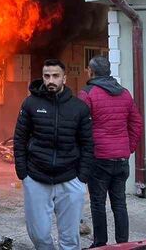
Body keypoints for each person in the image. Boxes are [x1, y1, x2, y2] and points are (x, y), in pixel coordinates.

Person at [13, 58, 94, 250]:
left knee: (70, 238)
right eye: (47, 76)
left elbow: (88, 144)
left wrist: (82, 177)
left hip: (70, 178)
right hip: (36, 177)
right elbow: (19, 139)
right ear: (42, 77)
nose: (51, 80)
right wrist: (23, 173)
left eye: (55, 76)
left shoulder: (79, 108)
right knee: (39, 234)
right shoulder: (31, 104)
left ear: (64, 78)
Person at [78, 55, 142, 248]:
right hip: (121, 159)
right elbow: (136, 122)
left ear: (91, 71)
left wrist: (83, 153)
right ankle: (123, 244)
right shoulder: (124, 93)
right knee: (120, 204)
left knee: (98, 204)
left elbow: (80, 125)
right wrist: (129, 147)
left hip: (99, 159)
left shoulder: (87, 93)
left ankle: (100, 244)